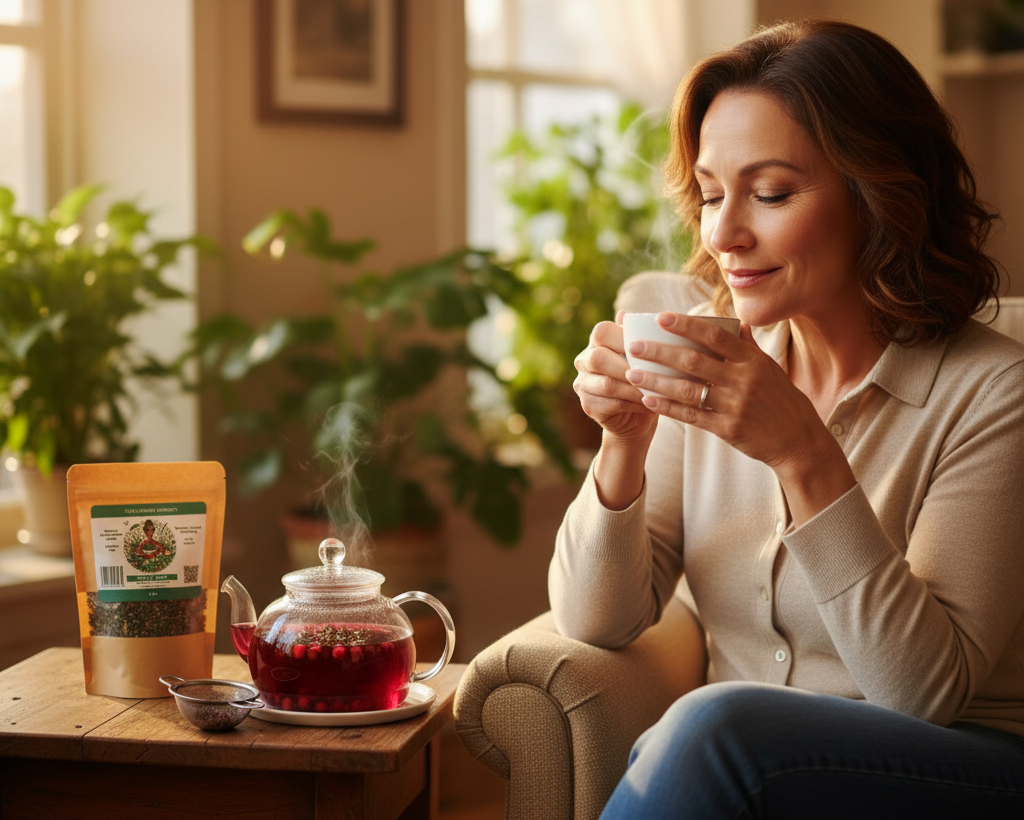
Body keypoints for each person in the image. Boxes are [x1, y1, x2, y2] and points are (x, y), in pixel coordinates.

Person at [557, 18, 1024, 818]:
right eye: (710, 194)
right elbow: (596, 621)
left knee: (713, 727)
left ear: (880, 196)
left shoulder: (994, 392)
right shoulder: (708, 365)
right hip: (740, 776)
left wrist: (804, 454)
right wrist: (622, 444)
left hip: (964, 766)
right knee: (710, 734)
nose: (723, 233)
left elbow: (925, 694)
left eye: (770, 194)